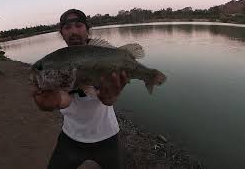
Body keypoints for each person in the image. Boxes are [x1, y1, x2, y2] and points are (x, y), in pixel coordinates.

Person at [31, 9, 164, 169]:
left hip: (107, 136)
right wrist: (47, 103)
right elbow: (63, 100)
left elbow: (108, 99)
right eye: (67, 28)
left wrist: (110, 99)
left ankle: (149, 76)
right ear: (62, 33)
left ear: (88, 29)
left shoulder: (99, 55)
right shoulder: (61, 62)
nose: (73, 31)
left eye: (79, 25)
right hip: (71, 136)